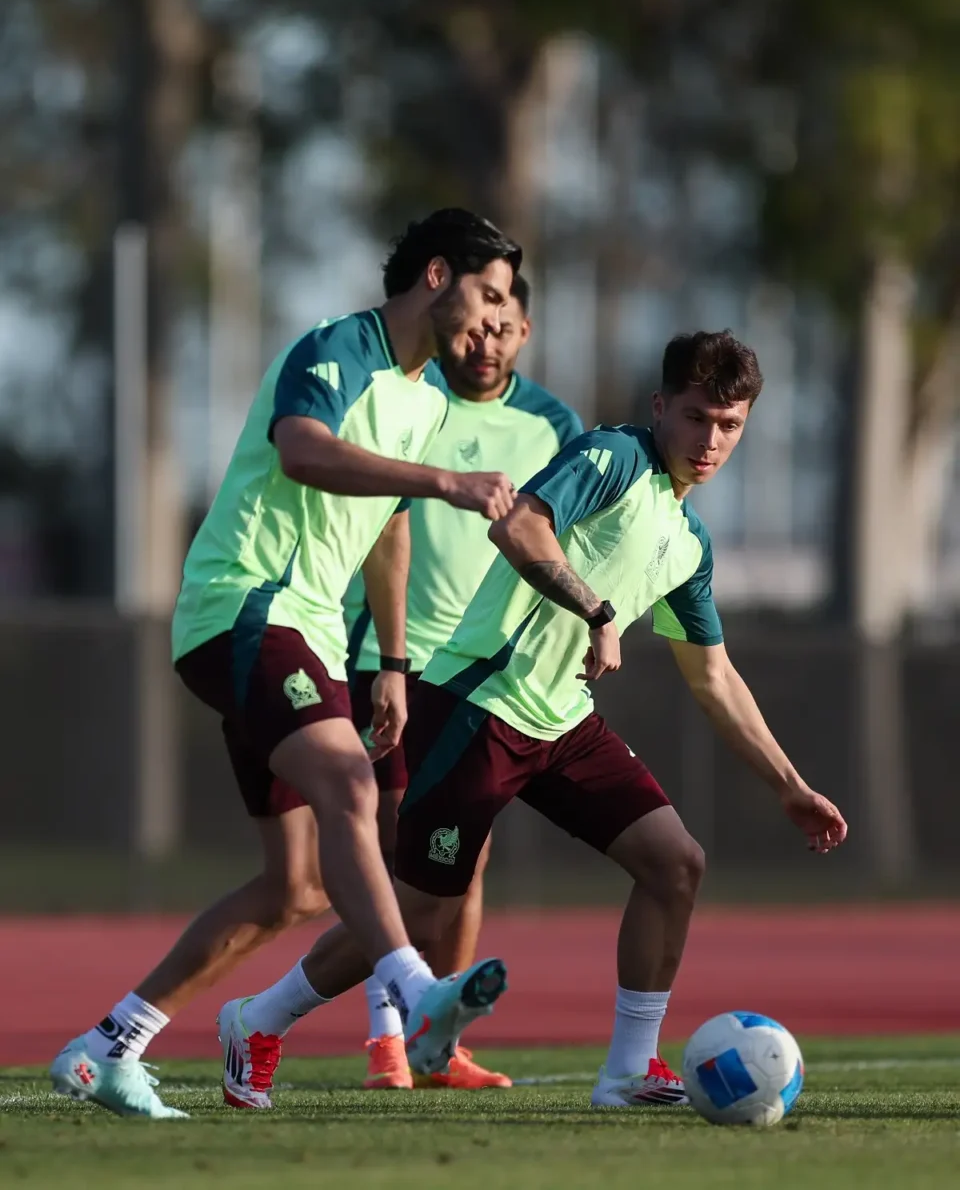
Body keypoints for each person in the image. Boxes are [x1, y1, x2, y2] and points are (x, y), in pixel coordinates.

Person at [222, 329, 848, 1109]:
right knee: (418, 910)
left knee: (675, 863)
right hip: (475, 703)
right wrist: (599, 611)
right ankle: (256, 1020)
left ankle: (627, 1071)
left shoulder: (690, 541)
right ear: (660, 408)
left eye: (729, 425)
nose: (710, 440)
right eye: (695, 417)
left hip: (561, 725)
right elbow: (517, 523)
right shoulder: (614, 457)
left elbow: (714, 675)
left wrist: (788, 785)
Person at [50, 208, 525, 1119]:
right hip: (245, 603)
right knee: (352, 783)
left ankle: (110, 1045)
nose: (497, 319)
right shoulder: (340, 345)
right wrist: (447, 482)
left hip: (310, 633)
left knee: (298, 887)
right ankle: (420, 995)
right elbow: (302, 450)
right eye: (489, 293)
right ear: (437, 276)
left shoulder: (427, 399)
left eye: (509, 304)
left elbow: (389, 522)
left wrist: (390, 657)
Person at [344, 273, 583, 1091]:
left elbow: (573, 537)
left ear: (526, 331)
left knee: (465, 860)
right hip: (393, 656)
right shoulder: (414, 399)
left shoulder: (552, 423)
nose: (489, 342)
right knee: (388, 851)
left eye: (506, 327)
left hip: (485, 675)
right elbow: (376, 519)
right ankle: (384, 1038)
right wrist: (387, 654)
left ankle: (438, 1039)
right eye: (479, 326)